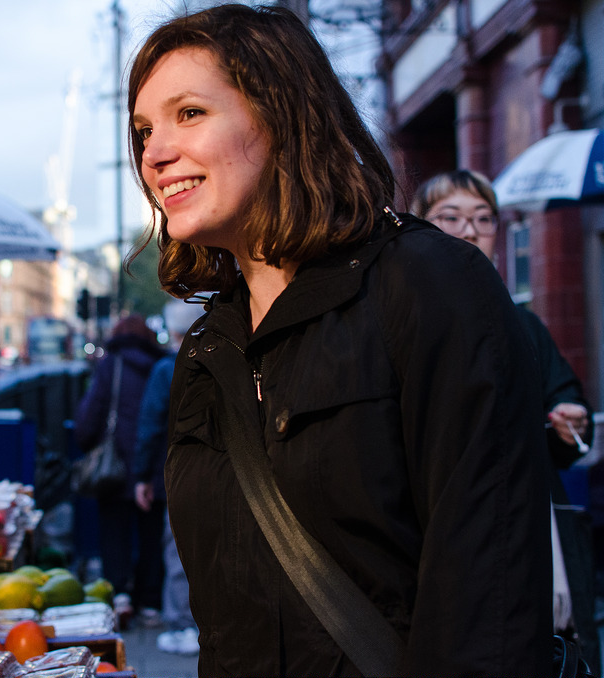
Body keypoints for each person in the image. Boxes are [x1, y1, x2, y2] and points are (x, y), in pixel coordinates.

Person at [127, 5, 552, 676]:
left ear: (281, 114)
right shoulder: (207, 350)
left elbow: (487, 602)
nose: (153, 153)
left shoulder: (429, 286)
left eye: (189, 114)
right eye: (144, 129)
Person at [412, 168, 599, 673]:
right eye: (449, 217)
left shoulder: (526, 326)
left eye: (482, 219)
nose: (469, 231)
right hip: (441, 537)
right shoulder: (407, 322)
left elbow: (571, 423)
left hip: (535, 524)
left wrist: (570, 421)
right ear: (420, 226)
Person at [73, 313, 166, 626]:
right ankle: (150, 601)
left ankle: (120, 595)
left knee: (114, 532)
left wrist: (86, 441)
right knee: (152, 534)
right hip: (155, 465)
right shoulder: (161, 366)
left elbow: (91, 414)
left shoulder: (111, 366)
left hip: (115, 466)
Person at [132, 299, 204, 655]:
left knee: (177, 549)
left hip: (176, 468)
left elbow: (149, 426)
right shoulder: (217, 357)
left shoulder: (165, 369)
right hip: (215, 466)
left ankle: (181, 624)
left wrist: (141, 476)